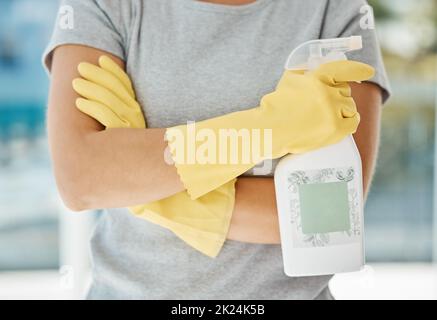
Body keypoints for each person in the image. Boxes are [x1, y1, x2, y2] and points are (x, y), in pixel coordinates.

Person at [44, 0, 390, 299]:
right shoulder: (105, 5)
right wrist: (271, 128)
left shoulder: (334, 8)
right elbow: (81, 177)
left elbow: (326, 217)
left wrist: (144, 183)